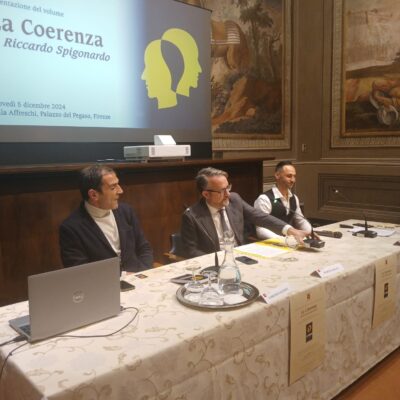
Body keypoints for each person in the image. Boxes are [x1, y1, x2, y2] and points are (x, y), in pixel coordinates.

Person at [180, 167, 308, 258]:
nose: (228, 194)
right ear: (206, 194)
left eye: (228, 188)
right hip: (216, 265)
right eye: (222, 191)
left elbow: (260, 217)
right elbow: (191, 251)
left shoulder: (234, 200)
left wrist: (290, 230)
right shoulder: (192, 216)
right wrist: (221, 262)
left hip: (242, 257)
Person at [59, 165, 153, 272]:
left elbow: (144, 248)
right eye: (113, 187)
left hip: (138, 277)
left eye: (118, 185)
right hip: (105, 282)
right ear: (94, 195)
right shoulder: (71, 228)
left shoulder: (126, 211)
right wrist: (121, 278)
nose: (120, 191)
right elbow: (80, 271)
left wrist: (142, 273)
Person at [254, 160, 312, 240]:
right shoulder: (264, 199)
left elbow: (300, 220)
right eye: (289, 176)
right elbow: (260, 229)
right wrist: (282, 240)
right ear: (277, 175)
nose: (293, 180)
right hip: (272, 242)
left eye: (294, 176)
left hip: (290, 241)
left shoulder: (294, 198)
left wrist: (309, 232)